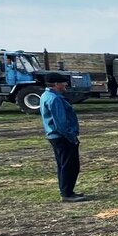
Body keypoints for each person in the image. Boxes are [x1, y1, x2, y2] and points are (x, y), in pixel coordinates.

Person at [40, 72, 86, 202]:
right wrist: (71, 137)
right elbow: (60, 123)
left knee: (63, 164)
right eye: (63, 82)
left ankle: (67, 191)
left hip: (54, 136)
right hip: (62, 137)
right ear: (55, 84)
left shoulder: (46, 95)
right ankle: (67, 194)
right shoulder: (55, 99)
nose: (66, 84)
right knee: (69, 165)